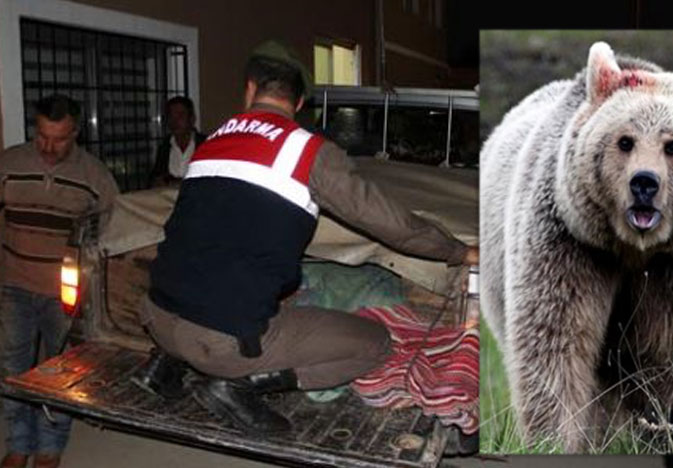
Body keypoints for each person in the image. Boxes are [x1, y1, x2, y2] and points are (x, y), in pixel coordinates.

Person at [133, 40, 478, 433]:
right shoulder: (308, 150)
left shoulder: (211, 142)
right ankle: (238, 386)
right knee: (376, 343)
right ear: (299, 104)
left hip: (156, 315)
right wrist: (458, 250)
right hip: (221, 342)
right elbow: (393, 224)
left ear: (249, 89)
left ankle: (167, 365)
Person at [0, 95, 119, 468]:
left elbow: (111, 231)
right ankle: (19, 444)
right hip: (13, 283)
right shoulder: (10, 162)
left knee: (62, 373)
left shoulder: (95, 175)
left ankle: (50, 447)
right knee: (13, 368)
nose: (49, 147)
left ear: (76, 134)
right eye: (42, 136)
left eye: (60, 138)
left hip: (64, 294)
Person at [147, 96, 207, 188]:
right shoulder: (165, 147)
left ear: (192, 119)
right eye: (171, 116)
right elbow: (154, 179)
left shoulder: (205, 145)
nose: (175, 121)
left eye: (180, 116)